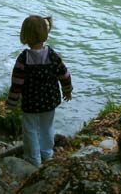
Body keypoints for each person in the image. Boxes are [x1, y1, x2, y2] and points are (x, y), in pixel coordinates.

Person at [6, 14, 73, 166]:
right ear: (45, 33)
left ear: (24, 36)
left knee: (29, 129)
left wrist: (12, 102)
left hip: (30, 102)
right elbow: (65, 75)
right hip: (50, 100)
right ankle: (47, 154)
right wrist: (67, 90)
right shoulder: (53, 56)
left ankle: (33, 158)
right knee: (47, 127)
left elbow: (16, 84)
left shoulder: (23, 59)